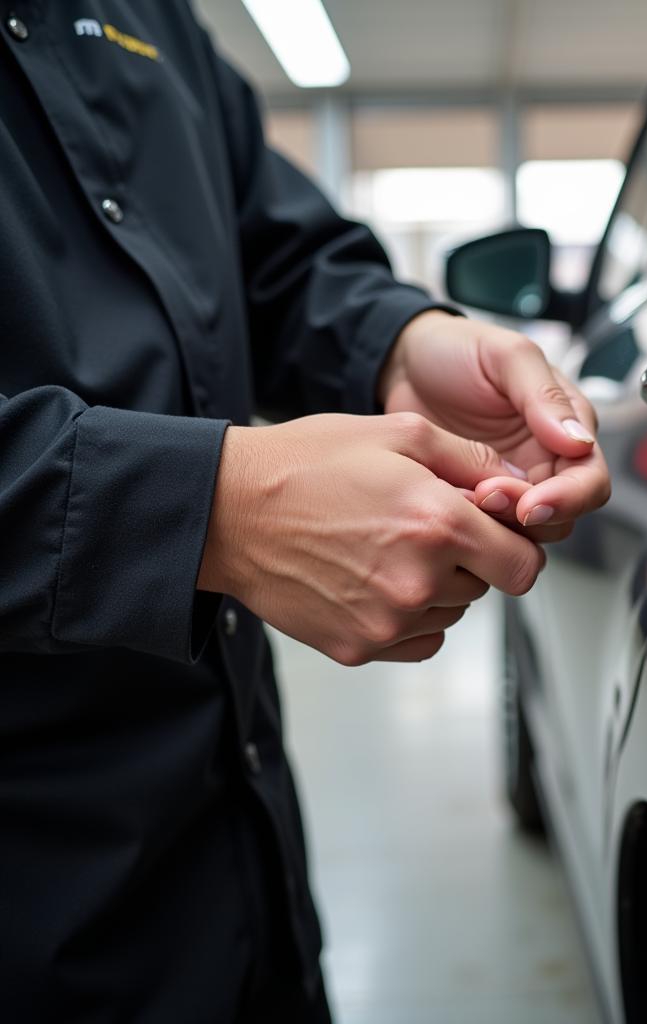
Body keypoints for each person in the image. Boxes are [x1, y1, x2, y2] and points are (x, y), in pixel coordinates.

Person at [0, 3, 609, 1021]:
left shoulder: (142, 16)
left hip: (233, 873)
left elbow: (273, 256)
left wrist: (399, 342)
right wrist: (210, 509)